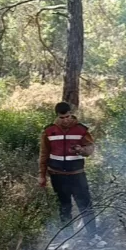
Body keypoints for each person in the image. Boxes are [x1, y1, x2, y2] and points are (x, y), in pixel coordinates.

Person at [39, 102, 99, 241]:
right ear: (57, 116)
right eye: (62, 117)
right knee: (64, 207)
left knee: (85, 206)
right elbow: (44, 154)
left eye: (67, 117)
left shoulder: (81, 129)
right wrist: (42, 175)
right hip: (57, 175)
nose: (65, 120)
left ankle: (93, 236)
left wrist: (82, 150)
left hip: (77, 174)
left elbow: (90, 149)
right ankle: (68, 239)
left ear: (71, 114)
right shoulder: (49, 131)